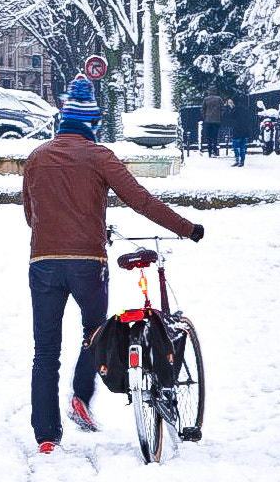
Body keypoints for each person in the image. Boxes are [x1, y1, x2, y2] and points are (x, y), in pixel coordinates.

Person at [22, 75, 204, 453]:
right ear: (92, 124)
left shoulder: (37, 157)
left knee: (45, 351)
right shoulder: (99, 155)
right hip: (87, 263)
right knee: (95, 333)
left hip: (42, 262)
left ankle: (46, 436)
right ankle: (81, 394)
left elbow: (30, 213)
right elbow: (141, 200)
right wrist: (186, 228)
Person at [224, 98, 251, 166]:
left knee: (236, 146)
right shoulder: (242, 108)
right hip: (243, 129)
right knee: (242, 146)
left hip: (237, 130)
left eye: (230, 103)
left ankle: (238, 160)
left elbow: (231, 118)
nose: (229, 104)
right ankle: (241, 161)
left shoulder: (235, 109)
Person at [202, 85, 224, 157]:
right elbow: (222, 109)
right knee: (215, 136)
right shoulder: (219, 99)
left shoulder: (206, 99)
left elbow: (203, 109)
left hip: (208, 120)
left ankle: (209, 152)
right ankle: (215, 151)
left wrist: (205, 116)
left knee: (208, 137)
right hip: (216, 120)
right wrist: (219, 115)